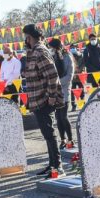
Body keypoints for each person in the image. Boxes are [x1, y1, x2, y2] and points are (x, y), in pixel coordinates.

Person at [20, 24, 64, 176]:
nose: (25, 40)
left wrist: (52, 96)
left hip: (44, 99)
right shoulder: (32, 52)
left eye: (26, 37)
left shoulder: (40, 52)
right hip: (37, 99)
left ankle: (58, 166)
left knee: (50, 133)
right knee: (46, 134)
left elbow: (52, 76)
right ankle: (52, 164)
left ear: (30, 37)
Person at [48, 38, 75, 149]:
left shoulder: (67, 57)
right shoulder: (53, 57)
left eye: (52, 48)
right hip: (55, 91)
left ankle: (70, 139)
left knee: (63, 116)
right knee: (58, 117)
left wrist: (57, 83)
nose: (51, 50)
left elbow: (69, 76)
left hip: (64, 90)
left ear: (57, 47)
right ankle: (63, 139)